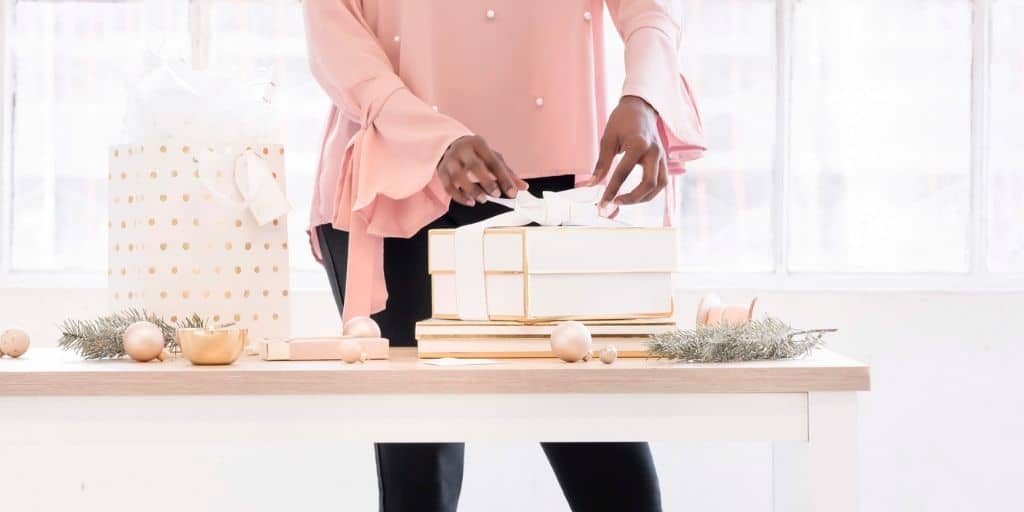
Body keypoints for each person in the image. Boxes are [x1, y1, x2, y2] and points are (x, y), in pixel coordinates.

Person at [302, 1, 704, 511]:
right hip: (395, 172)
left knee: (607, 460)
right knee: (419, 473)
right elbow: (332, 30)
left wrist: (643, 96)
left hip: (546, 183)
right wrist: (431, 139)